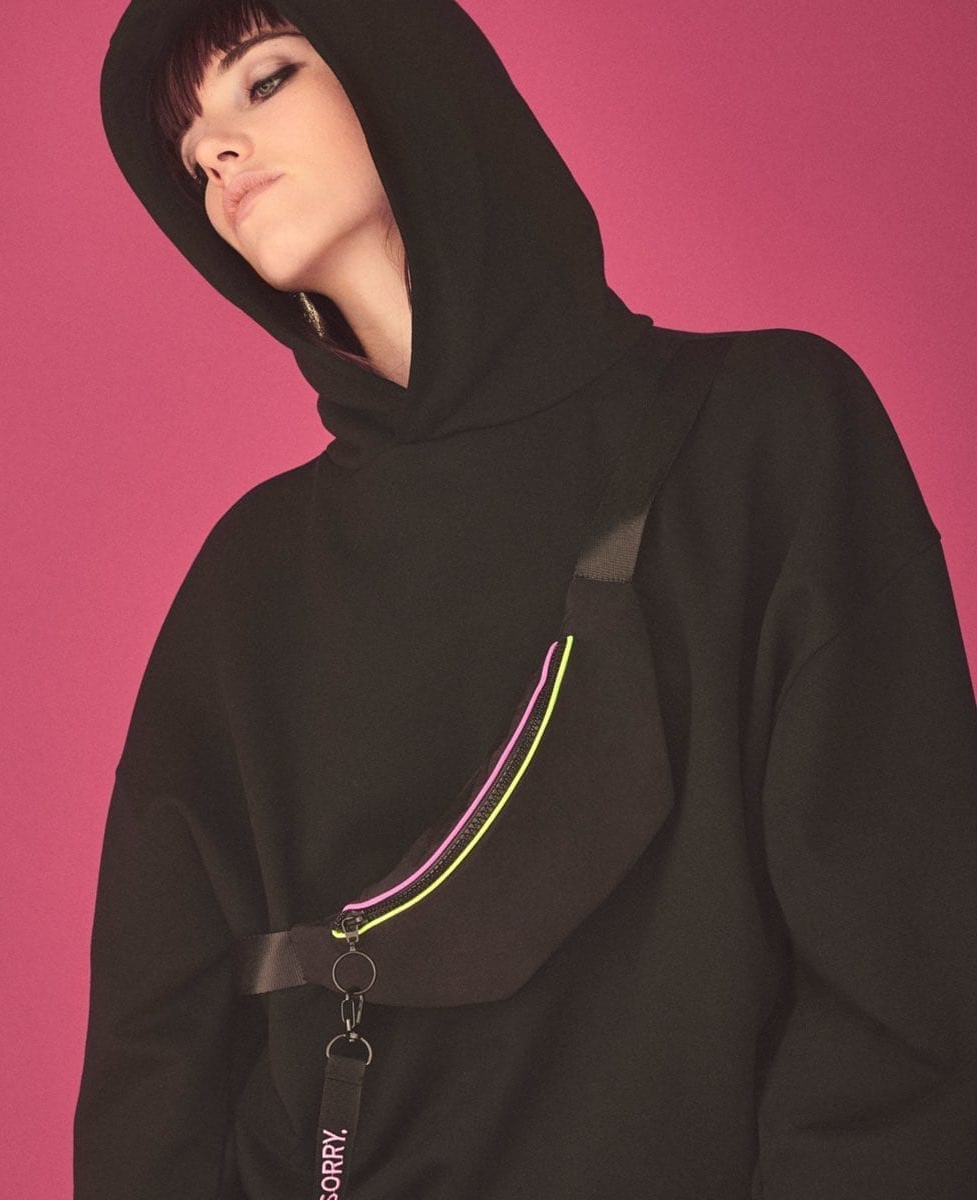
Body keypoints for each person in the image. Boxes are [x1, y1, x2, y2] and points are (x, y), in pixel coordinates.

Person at [75, 1, 977, 1197]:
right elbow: (154, 1067)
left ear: (409, 68)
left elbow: (900, 976)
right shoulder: (250, 578)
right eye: (192, 157)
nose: (221, 154)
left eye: (265, 79)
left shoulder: (769, 434)